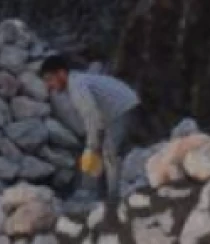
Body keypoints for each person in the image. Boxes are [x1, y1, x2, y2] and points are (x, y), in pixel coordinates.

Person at [39, 54, 141, 201]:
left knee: (109, 153)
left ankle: (113, 199)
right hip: (116, 109)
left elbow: (92, 116)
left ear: (61, 73)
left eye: (50, 79)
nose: (49, 86)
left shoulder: (76, 86)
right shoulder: (75, 82)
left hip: (121, 108)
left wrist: (91, 145)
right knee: (102, 152)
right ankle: (103, 195)